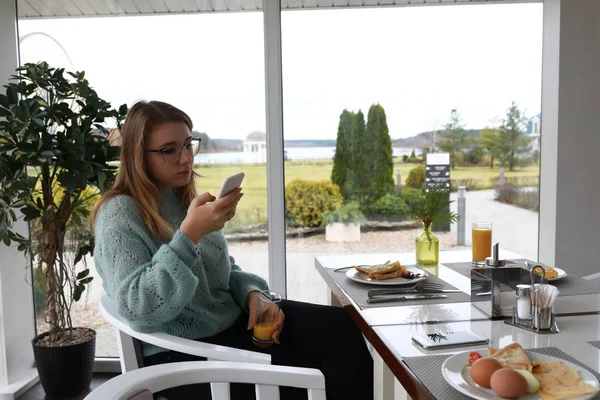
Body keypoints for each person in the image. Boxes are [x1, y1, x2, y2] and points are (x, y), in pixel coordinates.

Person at [90, 100, 373, 400]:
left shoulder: (182, 198)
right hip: (183, 357)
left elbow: (223, 271)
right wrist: (189, 235)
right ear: (138, 157)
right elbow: (138, 307)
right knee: (323, 370)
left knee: (345, 328)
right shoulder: (119, 214)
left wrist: (253, 294)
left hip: (229, 328)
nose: (186, 159)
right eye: (169, 150)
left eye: (188, 144)